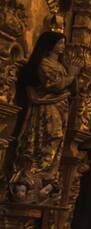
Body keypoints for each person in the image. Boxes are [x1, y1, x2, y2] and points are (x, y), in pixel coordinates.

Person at [14, 31, 79, 184]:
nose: (63, 46)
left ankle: (47, 174)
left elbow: (71, 90)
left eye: (64, 43)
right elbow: (52, 85)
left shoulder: (61, 66)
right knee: (48, 135)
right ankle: (35, 173)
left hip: (60, 106)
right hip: (46, 107)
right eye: (60, 43)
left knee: (57, 139)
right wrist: (70, 76)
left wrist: (72, 77)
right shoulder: (44, 63)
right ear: (50, 45)